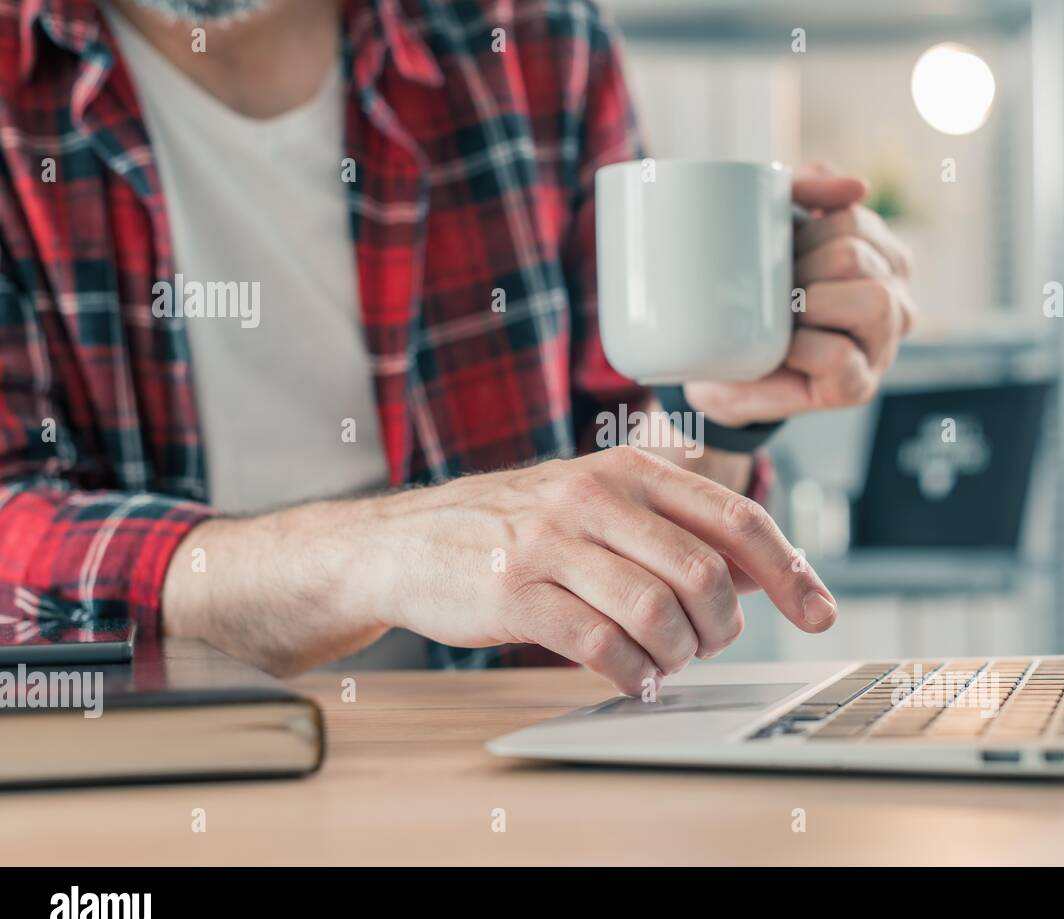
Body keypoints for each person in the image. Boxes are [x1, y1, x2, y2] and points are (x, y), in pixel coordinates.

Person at [0, 0, 915, 695]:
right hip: (137, 803)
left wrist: (728, 396)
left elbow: (628, 466)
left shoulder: (531, 43)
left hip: (516, 771)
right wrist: (380, 556)